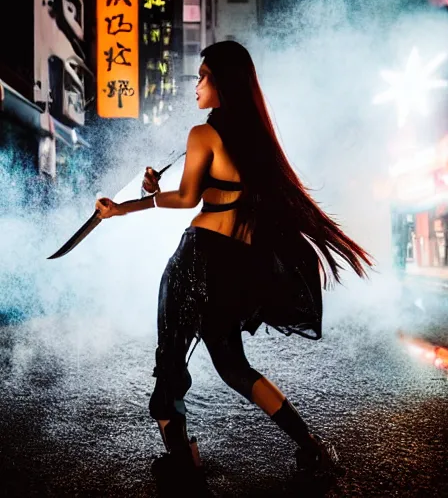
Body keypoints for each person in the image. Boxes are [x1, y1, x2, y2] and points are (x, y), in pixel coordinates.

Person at [95, 41, 373, 477]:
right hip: (230, 266)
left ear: (222, 82)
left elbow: (189, 198)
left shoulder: (203, 134)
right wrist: (154, 188)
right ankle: (312, 448)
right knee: (234, 368)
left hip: (194, 262)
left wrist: (124, 207)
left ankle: (183, 461)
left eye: (203, 76)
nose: (197, 84)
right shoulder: (254, 143)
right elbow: (216, 193)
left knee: (169, 364)